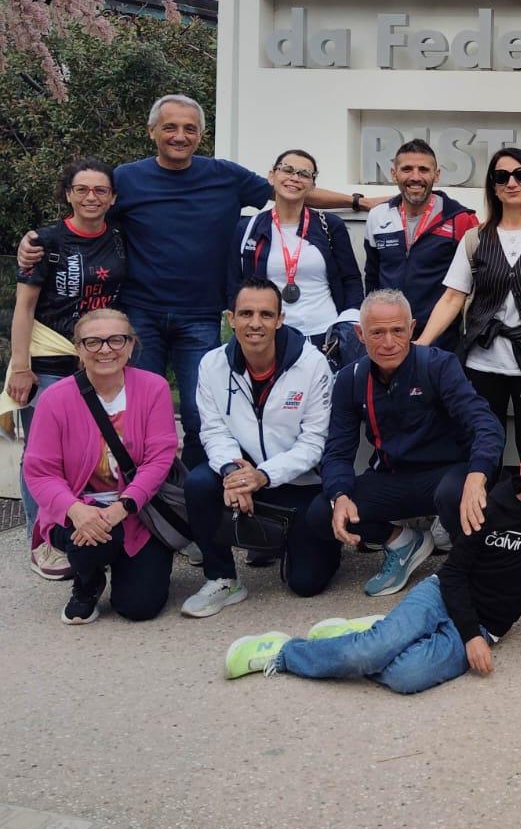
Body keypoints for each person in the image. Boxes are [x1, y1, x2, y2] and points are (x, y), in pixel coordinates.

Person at [15, 96, 363, 480]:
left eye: (189, 129)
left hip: (199, 315)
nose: (180, 136)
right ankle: (143, 504)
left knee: (202, 417)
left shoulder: (225, 175)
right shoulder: (128, 178)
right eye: (170, 127)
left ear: (201, 135)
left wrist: (359, 200)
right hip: (140, 315)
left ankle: (196, 508)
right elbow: (89, 214)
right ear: (152, 132)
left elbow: (291, 188)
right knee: (133, 414)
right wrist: (39, 241)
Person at [223, 432, 521, 691]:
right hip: (443, 595)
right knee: (368, 655)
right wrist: (469, 638)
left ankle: (369, 636)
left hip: (487, 625)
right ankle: (284, 653)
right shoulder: (489, 505)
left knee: (403, 678)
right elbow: (456, 573)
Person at [287, 289, 505, 599]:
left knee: (456, 493)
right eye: (377, 332)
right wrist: (339, 492)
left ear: (412, 329)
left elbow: (486, 423)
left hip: (447, 474)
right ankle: (403, 542)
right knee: (323, 511)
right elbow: (337, 450)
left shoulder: (438, 365)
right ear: (360, 334)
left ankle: (472, 568)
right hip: (393, 479)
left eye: (397, 331)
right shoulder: (351, 379)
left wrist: (477, 474)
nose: (388, 342)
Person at [181, 278, 334, 617]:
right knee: (198, 483)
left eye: (266, 314)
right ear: (230, 318)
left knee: (306, 584)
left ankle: (292, 544)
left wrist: (263, 475)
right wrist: (233, 472)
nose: (255, 323)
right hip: (246, 477)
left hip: (301, 485)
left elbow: (315, 442)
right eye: (246, 313)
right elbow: (214, 431)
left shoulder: (312, 365)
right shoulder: (211, 365)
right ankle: (222, 577)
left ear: (280, 319)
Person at [6, 158, 126, 581]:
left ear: (112, 197)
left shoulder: (120, 238)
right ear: (68, 194)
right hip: (48, 356)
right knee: (40, 452)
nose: (91, 198)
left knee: (94, 444)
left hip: (100, 355)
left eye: (100, 191)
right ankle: (44, 540)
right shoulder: (44, 241)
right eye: (82, 190)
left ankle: (90, 529)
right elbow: (24, 307)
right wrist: (20, 366)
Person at [21, 308, 176, 624]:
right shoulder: (55, 399)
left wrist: (124, 505)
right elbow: (40, 470)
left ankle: (122, 563)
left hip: (138, 511)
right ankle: (87, 583)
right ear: (78, 349)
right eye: (93, 342)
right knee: (91, 538)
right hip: (78, 511)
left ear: (131, 345)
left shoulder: (154, 387)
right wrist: (76, 511)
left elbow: (160, 457)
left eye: (116, 340)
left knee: (139, 607)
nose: (105, 349)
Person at [418, 147, 521, 449]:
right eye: (502, 176)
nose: (512, 183)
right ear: (493, 187)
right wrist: (420, 344)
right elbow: (452, 297)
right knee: (483, 445)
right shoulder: (475, 238)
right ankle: (481, 498)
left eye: (520, 175)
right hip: (482, 361)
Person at [229, 148, 364, 349]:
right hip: (271, 337)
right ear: (272, 176)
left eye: (304, 174)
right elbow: (235, 283)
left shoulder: (330, 225)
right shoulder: (248, 228)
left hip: (325, 335)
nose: (294, 178)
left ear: (312, 185)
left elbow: (351, 280)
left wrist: (347, 324)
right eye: (287, 170)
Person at [363, 138, 480, 350]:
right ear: (394, 173)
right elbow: (372, 277)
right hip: (389, 337)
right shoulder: (377, 216)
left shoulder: (461, 219)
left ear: (437, 175)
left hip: (441, 339)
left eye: (424, 169)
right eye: (407, 169)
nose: (415, 177)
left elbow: (472, 286)